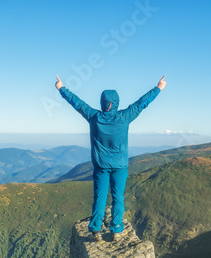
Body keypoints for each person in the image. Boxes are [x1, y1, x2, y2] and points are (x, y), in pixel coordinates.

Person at [55, 74, 166, 240]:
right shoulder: (125, 116)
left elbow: (77, 103)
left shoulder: (94, 117)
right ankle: (116, 229)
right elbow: (142, 103)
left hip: (101, 167)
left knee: (99, 197)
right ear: (117, 103)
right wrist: (158, 88)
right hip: (120, 166)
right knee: (118, 197)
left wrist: (61, 88)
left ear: (102, 102)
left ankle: (96, 230)